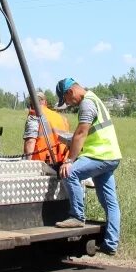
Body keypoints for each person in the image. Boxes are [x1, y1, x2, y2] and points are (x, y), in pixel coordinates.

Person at [53, 77, 122, 255]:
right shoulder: (95, 99)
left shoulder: (86, 104)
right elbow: (87, 133)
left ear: (71, 91)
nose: (68, 104)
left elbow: (82, 133)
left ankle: (77, 216)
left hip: (98, 155)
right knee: (110, 202)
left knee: (69, 173)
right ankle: (111, 243)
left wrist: (69, 160)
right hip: (111, 156)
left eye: (66, 100)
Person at [23, 90, 71, 164]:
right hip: (62, 163)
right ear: (45, 102)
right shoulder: (62, 118)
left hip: (42, 164)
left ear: (31, 103)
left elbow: (30, 141)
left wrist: (26, 164)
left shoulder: (34, 115)